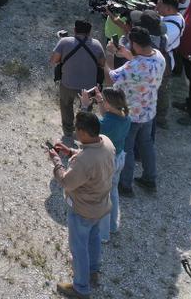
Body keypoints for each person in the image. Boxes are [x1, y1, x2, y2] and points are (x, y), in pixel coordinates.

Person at [47, 110, 115, 298]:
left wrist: (57, 161)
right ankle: (93, 271)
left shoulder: (84, 161)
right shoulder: (106, 142)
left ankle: (80, 287)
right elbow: (92, 158)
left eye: (77, 130)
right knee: (93, 239)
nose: (75, 133)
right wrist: (71, 152)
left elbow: (66, 181)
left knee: (78, 248)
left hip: (83, 210)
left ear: (84, 132)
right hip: (101, 205)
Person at [106, 27, 165, 196]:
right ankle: (150, 179)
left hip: (131, 115)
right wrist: (127, 55)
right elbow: (141, 65)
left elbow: (111, 77)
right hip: (149, 111)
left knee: (128, 149)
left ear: (136, 45)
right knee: (147, 144)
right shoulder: (158, 56)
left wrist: (109, 55)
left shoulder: (133, 66)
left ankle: (125, 185)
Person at [50, 19, 105, 143]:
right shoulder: (97, 44)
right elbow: (102, 63)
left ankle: (68, 132)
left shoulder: (64, 41)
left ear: (74, 30)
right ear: (90, 32)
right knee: (86, 111)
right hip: (89, 88)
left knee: (66, 105)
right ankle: (84, 134)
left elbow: (53, 60)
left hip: (68, 84)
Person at [89, 87, 130, 245]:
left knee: (102, 197)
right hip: (120, 158)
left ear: (109, 104)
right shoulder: (125, 116)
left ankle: (103, 234)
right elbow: (108, 116)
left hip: (108, 162)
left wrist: (86, 105)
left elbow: (91, 127)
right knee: (113, 192)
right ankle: (113, 226)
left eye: (104, 100)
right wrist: (101, 101)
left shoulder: (107, 124)